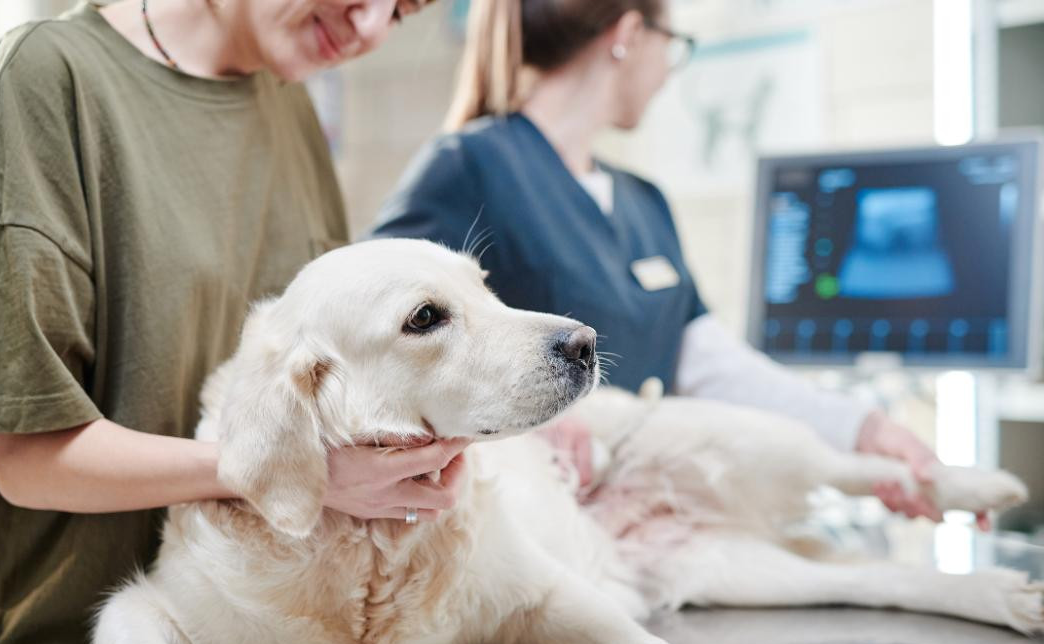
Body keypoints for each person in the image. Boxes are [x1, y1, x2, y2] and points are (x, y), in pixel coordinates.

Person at [0, 0, 468, 644]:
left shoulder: (290, 106)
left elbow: (320, 397)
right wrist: (275, 468)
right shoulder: (48, 79)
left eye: (400, 14)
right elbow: (27, 458)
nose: (367, 30)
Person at [370, 0, 963, 525]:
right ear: (628, 34)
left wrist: (868, 432)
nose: (666, 73)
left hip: (643, 524)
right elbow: (373, 353)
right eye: (673, 47)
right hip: (529, 535)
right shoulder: (468, 166)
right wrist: (534, 425)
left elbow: (710, 366)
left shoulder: (642, 200)